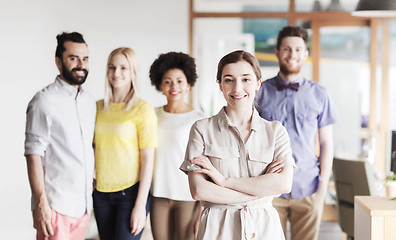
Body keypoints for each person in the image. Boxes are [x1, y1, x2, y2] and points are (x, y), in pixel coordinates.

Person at [180, 50, 295, 240]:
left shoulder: (275, 132)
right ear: (220, 84)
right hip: (217, 229)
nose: (237, 88)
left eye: (246, 79)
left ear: (258, 83)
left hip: (264, 229)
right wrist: (260, 191)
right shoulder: (201, 129)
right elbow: (199, 190)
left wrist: (224, 181)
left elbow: (283, 183)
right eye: (229, 79)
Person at [255, 26, 338, 240]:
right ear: (277, 53)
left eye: (298, 49)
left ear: (306, 55)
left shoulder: (320, 94)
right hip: (269, 188)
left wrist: (322, 189)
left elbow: (327, 143)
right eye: (287, 49)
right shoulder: (260, 92)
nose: (292, 55)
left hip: (308, 186)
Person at [24, 32, 96, 239]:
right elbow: (33, 154)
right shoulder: (43, 101)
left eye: (85, 58)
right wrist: (40, 203)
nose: (81, 64)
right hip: (56, 206)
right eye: (73, 58)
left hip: (83, 207)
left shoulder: (89, 102)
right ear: (58, 62)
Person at [93, 47, 157, 240]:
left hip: (130, 194)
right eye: (112, 67)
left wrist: (140, 205)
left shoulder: (143, 109)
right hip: (101, 194)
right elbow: (93, 147)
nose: (116, 73)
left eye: (123, 68)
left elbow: (148, 159)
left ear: (133, 72)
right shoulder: (96, 107)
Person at [149, 52, 205, 240]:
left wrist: (202, 209)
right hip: (158, 195)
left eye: (180, 81)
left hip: (187, 197)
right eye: (168, 81)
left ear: (188, 84)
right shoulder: (151, 115)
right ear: (159, 85)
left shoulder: (199, 119)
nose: (174, 87)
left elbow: (204, 166)